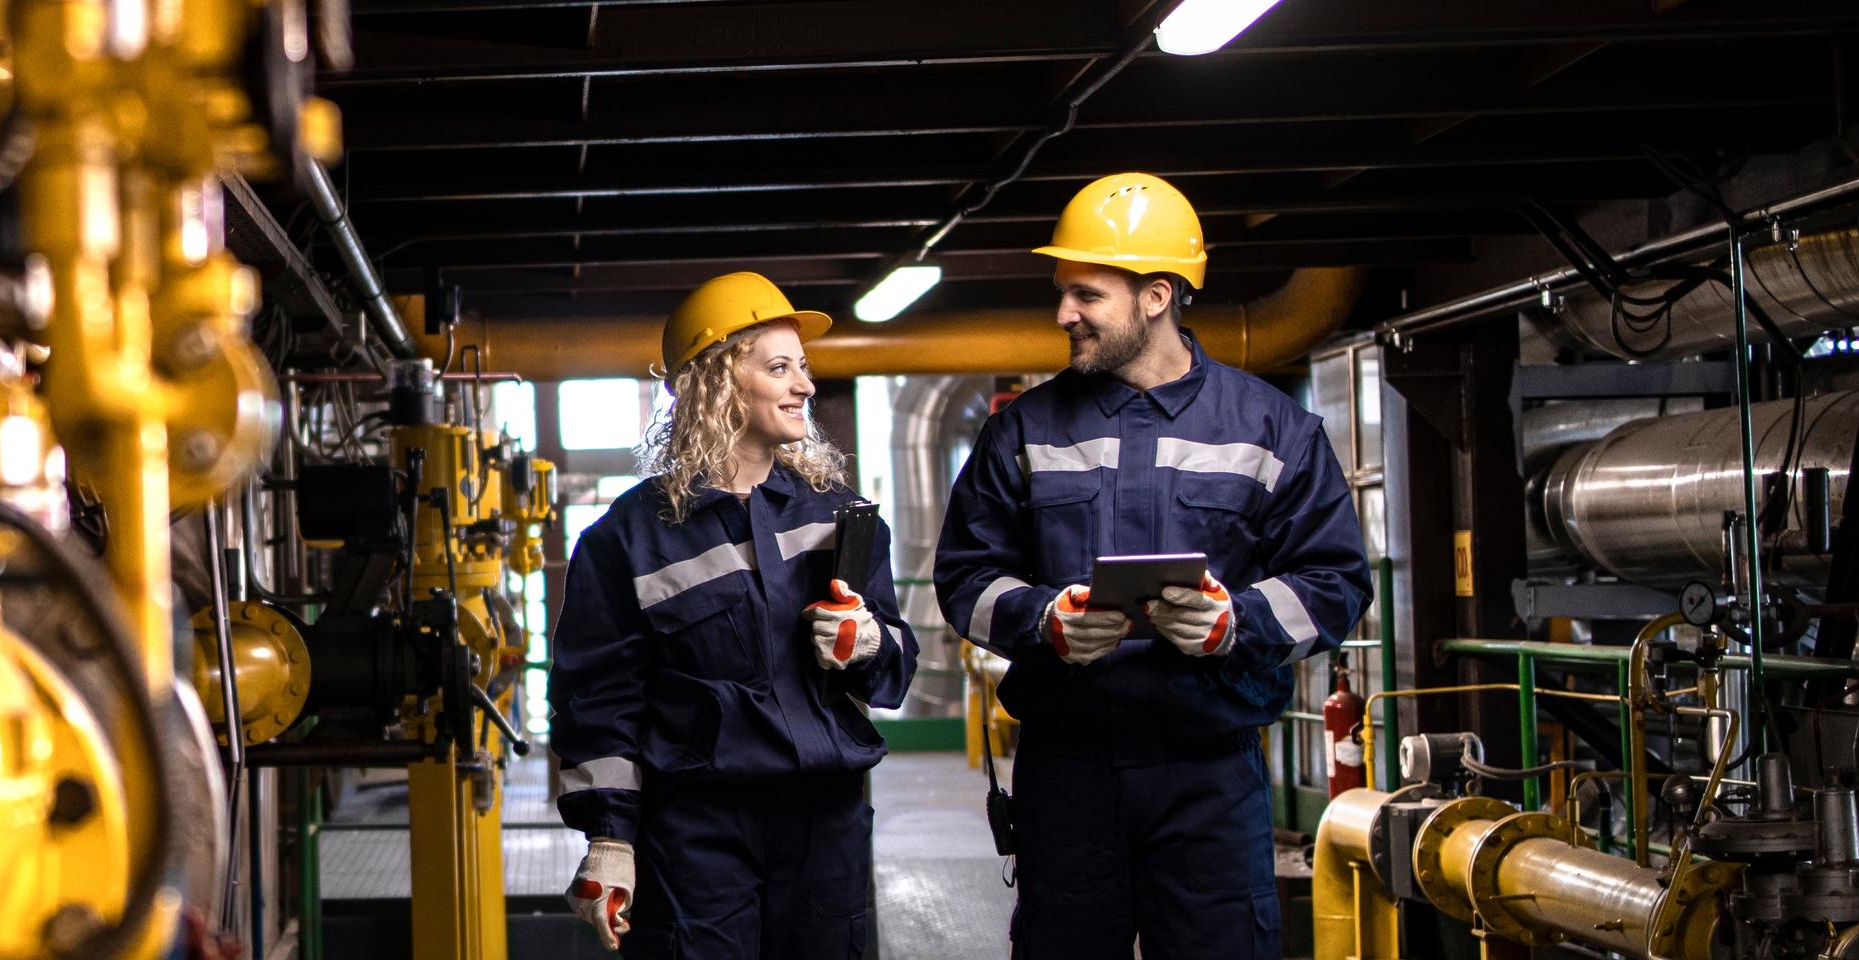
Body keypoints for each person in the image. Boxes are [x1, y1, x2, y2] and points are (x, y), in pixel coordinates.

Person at [932, 172, 1375, 960]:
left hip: (1209, 776)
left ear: (1157, 296)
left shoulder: (1274, 429)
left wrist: (1235, 622)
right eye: (1063, 292)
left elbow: (1336, 581)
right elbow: (964, 579)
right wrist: (1045, 622)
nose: (1064, 313)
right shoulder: (1023, 432)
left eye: (1086, 295)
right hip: (1068, 776)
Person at [550, 272, 920, 959]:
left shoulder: (835, 515)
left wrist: (869, 642)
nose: (805, 386)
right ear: (716, 382)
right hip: (696, 833)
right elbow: (599, 700)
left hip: (826, 821)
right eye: (779, 368)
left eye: (802, 367)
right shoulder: (625, 540)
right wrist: (609, 838)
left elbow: (894, 665)